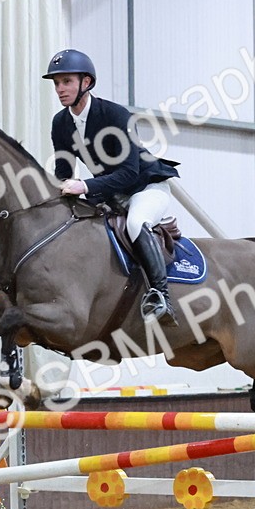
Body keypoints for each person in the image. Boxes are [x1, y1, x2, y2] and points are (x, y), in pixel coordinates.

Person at [43, 49, 180, 326]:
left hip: (145, 187)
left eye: (66, 81)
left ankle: (160, 296)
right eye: (56, 83)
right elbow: (64, 172)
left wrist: (83, 185)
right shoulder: (61, 123)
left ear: (86, 83)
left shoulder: (117, 115)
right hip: (108, 192)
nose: (60, 89)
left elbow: (129, 173)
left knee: (135, 222)